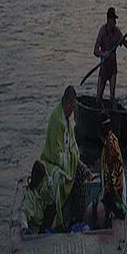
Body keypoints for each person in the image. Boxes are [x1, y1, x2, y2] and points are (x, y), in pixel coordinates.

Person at [40, 86, 93, 231]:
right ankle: (63, 221)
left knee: (81, 173)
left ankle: (76, 218)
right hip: (52, 164)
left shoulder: (68, 119)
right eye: (72, 106)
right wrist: (74, 164)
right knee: (74, 176)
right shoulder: (57, 121)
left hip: (67, 163)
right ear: (67, 103)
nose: (73, 110)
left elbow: (72, 147)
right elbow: (57, 155)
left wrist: (81, 165)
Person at [94, 6, 127, 107]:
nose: (115, 22)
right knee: (98, 98)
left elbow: (125, 43)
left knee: (112, 97)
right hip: (103, 68)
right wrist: (103, 53)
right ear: (108, 20)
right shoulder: (102, 31)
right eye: (113, 20)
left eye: (115, 20)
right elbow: (95, 51)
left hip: (112, 68)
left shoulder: (117, 32)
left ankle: (113, 115)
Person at [87, 116, 126, 229]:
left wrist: (109, 205)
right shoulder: (113, 139)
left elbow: (113, 181)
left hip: (115, 200)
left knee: (92, 212)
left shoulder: (109, 147)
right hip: (113, 195)